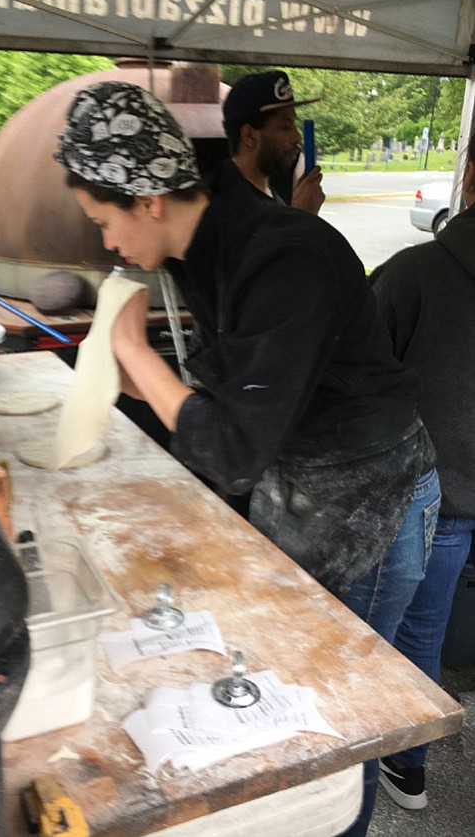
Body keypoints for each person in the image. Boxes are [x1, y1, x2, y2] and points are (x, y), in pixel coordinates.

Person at [55, 80, 438, 836]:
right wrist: (134, 390)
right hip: (297, 474)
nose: (107, 245)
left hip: (372, 492)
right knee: (279, 691)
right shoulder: (204, 246)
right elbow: (232, 405)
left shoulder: (285, 254)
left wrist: (135, 352)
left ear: (149, 200)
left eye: (104, 221)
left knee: (334, 716)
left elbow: (231, 447)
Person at [369, 130, 475, 811]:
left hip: (436, 499)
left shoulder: (411, 275)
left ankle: (405, 766)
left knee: (412, 634)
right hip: (454, 499)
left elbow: (358, 386)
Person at [222, 69, 325, 214]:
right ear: (249, 135)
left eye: (294, 124)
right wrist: (303, 214)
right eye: (286, 126)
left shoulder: (267, 195)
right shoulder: (226, 204)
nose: (297, 136)